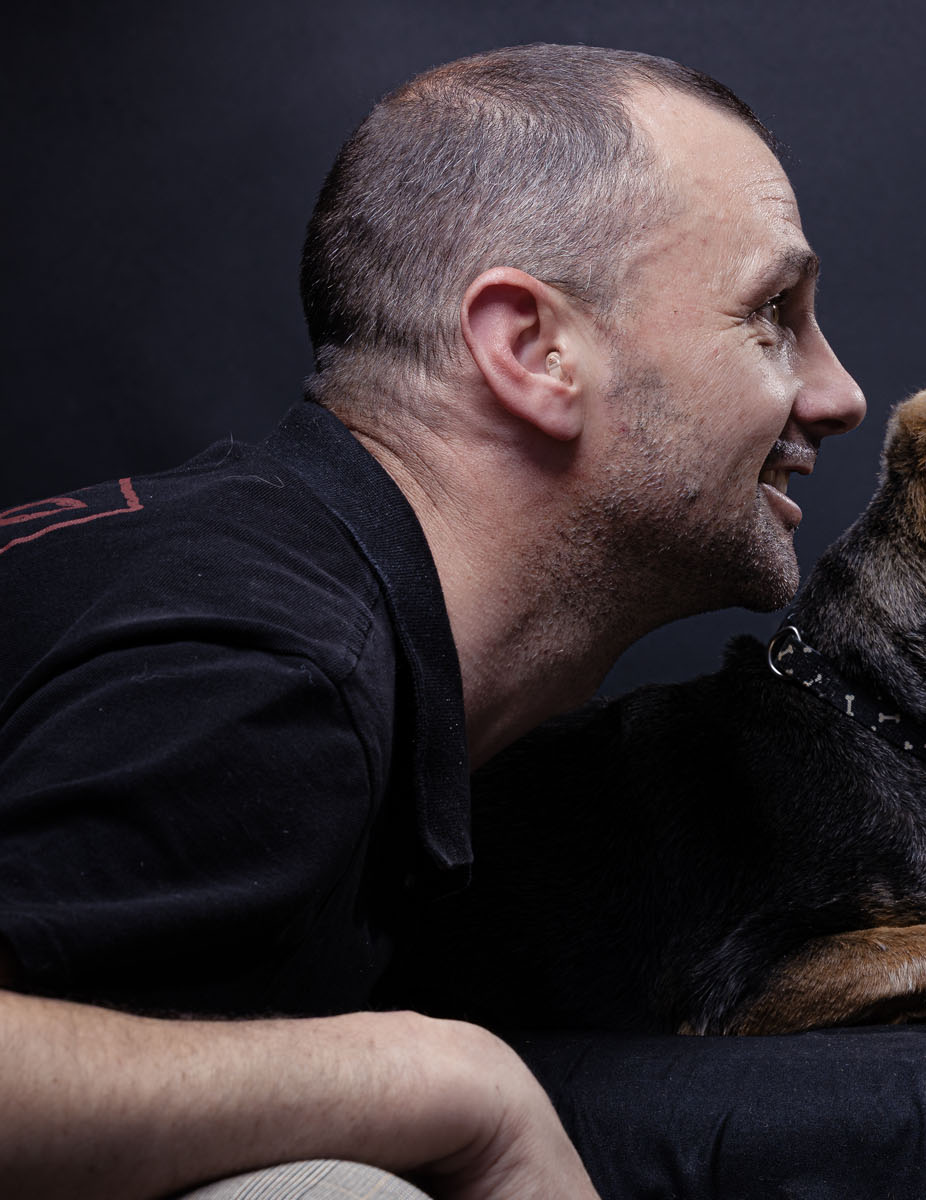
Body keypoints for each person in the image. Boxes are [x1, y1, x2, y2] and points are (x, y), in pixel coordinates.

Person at [0, 44, 864, 1200]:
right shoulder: (272, 670)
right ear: (532, 350)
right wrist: (447, 1083)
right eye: (770, 316)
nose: (839, 394)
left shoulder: (272, 588)